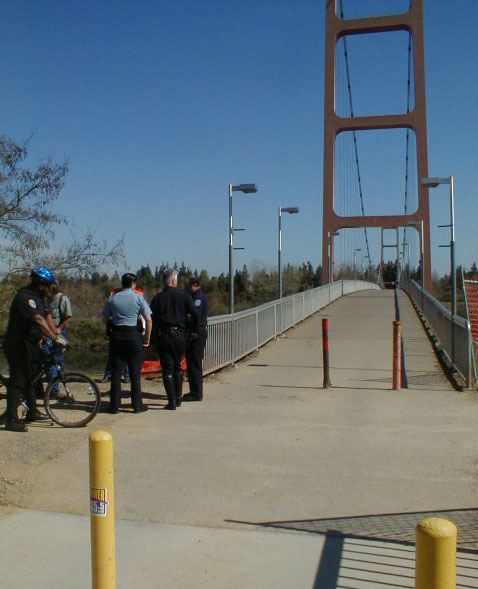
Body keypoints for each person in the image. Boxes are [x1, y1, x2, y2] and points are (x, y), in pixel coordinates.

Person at [3, 267, 63, 432]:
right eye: (48, 285)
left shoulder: (40, 297)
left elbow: (47, 316)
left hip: (30, 344)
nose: (50, 288)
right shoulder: (25, 297)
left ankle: (32, 411)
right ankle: (11, 419)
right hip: (17, 344)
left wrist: (56, 332)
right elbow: (38, 319)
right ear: (40, 283)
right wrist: (53, 337)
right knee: (19, 381)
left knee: (33, 378)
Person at [101, 273, 152, 414]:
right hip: (133, 336)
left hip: (117, 336)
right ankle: (137, 405)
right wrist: (146, 339)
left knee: (116, 372)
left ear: (122, 283)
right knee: (135, 372)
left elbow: (104, 319)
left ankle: (114, 405)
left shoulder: (112, 299)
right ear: (133, 283)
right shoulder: (138, 298)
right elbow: (148, 319)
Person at [150, 268, 198, 410]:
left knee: (167, 369)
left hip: (164, 336)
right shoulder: (184, 296)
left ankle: (171, 401)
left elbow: (151, 319)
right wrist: (192, 330)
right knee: (178, 366)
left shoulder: (157, 299)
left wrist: (153, 339)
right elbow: (195, 314)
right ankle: (178, 398)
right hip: (180, 335)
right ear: (173, 280)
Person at [41, 280, 73, 395]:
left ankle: (55, 389)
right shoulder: (45, 299)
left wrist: (59, 328)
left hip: (58, 333)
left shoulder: (62, 299)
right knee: (45, 360)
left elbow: (68, 316)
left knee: (57, 361)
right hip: (46, 333)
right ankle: (47, 389)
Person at [184, 276, 208, 402]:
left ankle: (197, 393)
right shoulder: (191, 296)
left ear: (194, 285)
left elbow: (195, 315)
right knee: (191, 362)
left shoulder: (198, 297)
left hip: (197, 332)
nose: (185, 288)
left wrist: (188, 316)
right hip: (193, 332)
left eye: (187, 286)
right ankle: (193, 390)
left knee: (195, 363)